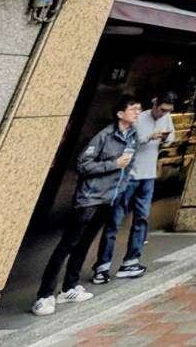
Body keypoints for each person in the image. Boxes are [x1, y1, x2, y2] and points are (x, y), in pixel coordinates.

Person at [32, 96, 140, 316]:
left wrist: (120, 189)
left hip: (109, 199)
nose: (137, 112)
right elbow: (83, 164)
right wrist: (113, 164)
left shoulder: (133, 136)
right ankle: (44, 295)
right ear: (120, 114)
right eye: (133, 109)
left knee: (84, 244)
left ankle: (69, 287)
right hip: (89, 198)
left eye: (139, 109)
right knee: (67, 244)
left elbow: (128, 168)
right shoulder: (104, 136)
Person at [92, 92, 176, 283]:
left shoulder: (166, 118)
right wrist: (149, 137)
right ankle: (102, 265)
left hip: (148, 176)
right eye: (162, 109)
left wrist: (165, 139)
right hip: (129, 176)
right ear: (154, 103)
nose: (163, 114)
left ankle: (131, 261)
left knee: (141, 219)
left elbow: (171, 138)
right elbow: (127, 141)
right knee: (114, 221)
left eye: (168, 111)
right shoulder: (138, 118)